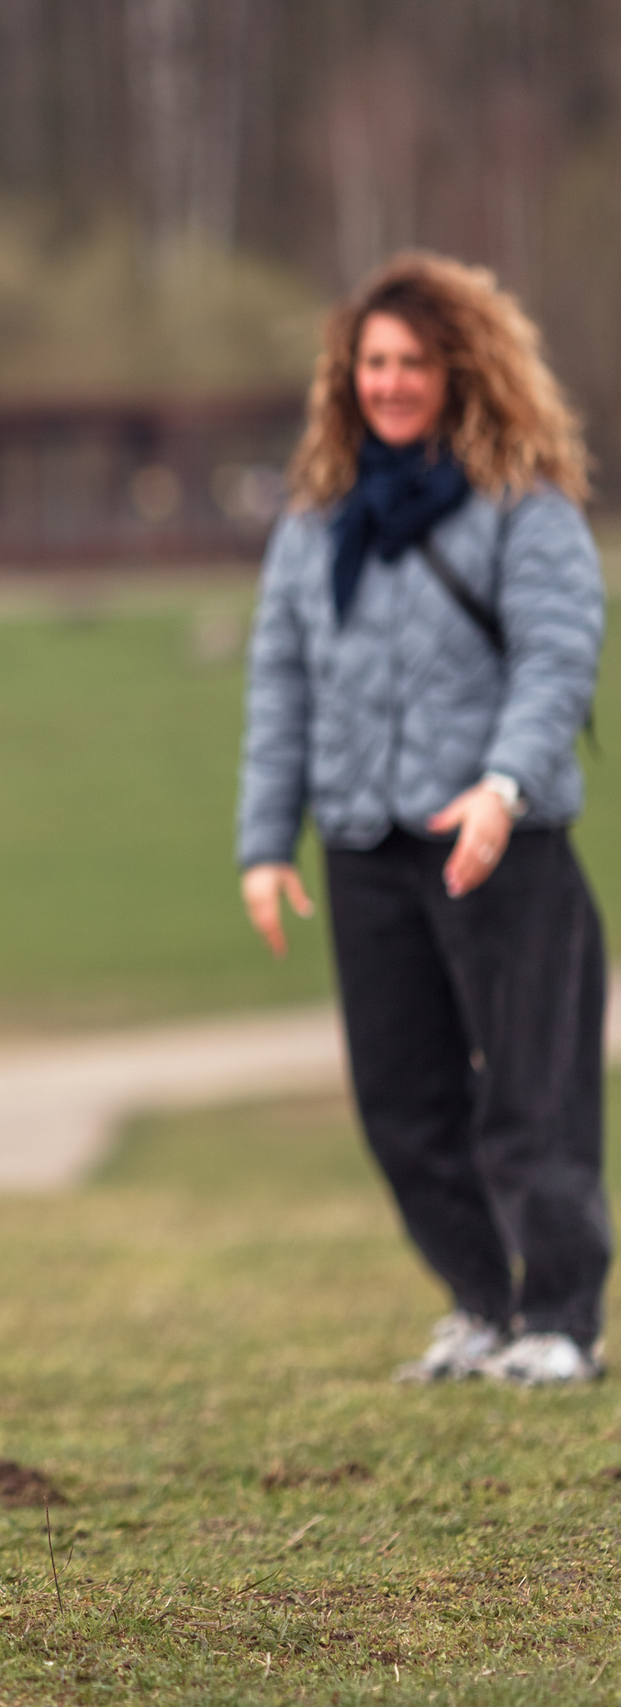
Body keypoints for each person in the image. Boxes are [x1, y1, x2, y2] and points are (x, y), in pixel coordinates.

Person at [237, 252, 607, 1388]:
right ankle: (482, 1305)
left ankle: (560, 1323)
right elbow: (279, 682)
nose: (388, 383)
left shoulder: (523, 506)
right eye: (370, 363)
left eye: (411, 363)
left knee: (528, 1096)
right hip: (363, 843)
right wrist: (263, 842)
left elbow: (557, 659)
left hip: (499, 844)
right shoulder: (316, 522)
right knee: (403, 1103)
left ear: (462, 370)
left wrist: (501, 787)